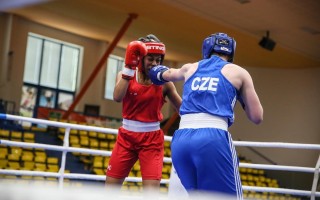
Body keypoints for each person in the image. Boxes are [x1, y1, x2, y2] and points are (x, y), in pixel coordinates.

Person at [149, 32, 263, 199]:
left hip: (181, 140)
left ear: (207, 48)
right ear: (231, 52)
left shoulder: (190, 67)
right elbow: (257, 117)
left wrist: (147, 67)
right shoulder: (238, 72)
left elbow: (161, 74)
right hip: (212, 138)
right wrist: (240, 96)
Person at [105, 34, 182, 194]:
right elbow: (117, 97)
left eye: (158, 60)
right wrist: (128, 68)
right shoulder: (126, 75)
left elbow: (182, 109)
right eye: (150, 59)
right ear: (140, 58)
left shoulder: (165, 82)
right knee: (110, 190)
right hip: (126, 137)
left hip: (151, 140)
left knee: (151, 193)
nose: (154, 64)